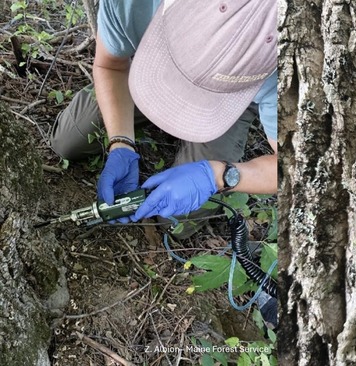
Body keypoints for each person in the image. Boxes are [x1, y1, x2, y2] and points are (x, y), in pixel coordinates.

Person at [50, 0, 278, 226]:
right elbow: (110, 65)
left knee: (176, 220)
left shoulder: (291, 64)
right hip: (148, 75)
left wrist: (218, 176)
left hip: (228, 103)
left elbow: (299, 164)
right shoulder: (133, 5)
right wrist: (120, 142)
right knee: (67, 141)